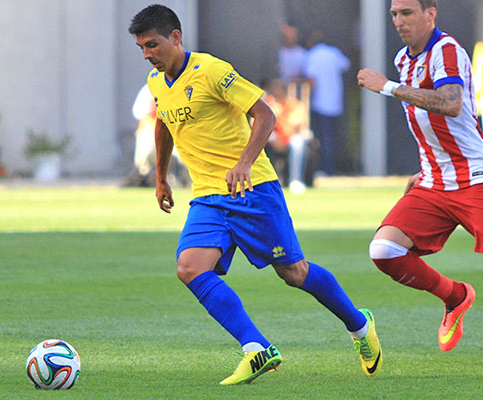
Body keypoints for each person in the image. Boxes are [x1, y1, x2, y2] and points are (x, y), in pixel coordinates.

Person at [129, 4, 382, 385]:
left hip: (253, 190)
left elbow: (265, 113)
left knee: (294, 273)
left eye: (153, 45)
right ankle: (256, 348)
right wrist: (161, 177)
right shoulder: (155, 82)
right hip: (209, 197)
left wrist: (245, 162)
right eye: (142, 48)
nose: (148, 54)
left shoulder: (211, 70)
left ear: (176, 37)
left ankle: (360, 326)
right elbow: (164, 124)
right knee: (189, 267)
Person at [358, 0, 483, 352]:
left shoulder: (446, 50)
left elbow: (450, 104)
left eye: (407, 13)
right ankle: (455, 296)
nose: (398, 21)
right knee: (384, 249)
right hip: (435, 180)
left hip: (478, 176)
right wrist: (426, 167)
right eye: (394, 14)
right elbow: (428, 123)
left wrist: (387, 87)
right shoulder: (403, 59)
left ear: (430, 13)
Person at [304, 31, 350, 176]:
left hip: (319, 103)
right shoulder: (334, 53)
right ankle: (331, 167)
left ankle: (324, 169)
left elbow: (311, 80)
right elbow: (346, 65)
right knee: (332, 137)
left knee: (322, 138)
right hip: (335, 102)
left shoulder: (311, 56)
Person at [263, 79, 312, 193]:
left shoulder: (294, 105)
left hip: (289, 139)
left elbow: (299, 126)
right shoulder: (267, 104)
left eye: (278, 91)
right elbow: (255, 123)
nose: (275, 94)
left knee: (298, 142)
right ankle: (263, 183)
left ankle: (295, 180)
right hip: (271, 140)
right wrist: (273, 137)